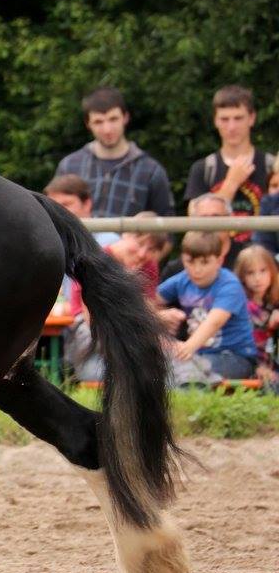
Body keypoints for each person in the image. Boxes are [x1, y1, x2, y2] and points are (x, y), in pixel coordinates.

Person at [64, 213, 169, 381]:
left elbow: (148, 308)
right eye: (140, 243)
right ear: (126, 235)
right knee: (99, 374)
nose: (143, 253)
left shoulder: (149, 265)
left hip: (129, 328)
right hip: (91, 327)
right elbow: (90, 316)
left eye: (151, 249)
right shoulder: (97, 259)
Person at [54, 87, 174, 217]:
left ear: (125, 117)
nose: (107, 129)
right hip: (79, 237)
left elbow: (166, 228)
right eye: (98, 122)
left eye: (113, 119)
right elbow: (55, 218)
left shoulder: (151, 171)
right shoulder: (69, 166)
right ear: (88, 124)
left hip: (128, 237)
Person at [157, 231, 257, 380]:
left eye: (204, 262)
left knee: (186, 366)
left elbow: (214, 322)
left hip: (234, 357)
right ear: (183, 259)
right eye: (190, 262)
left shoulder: (229, 284)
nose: (197, 269)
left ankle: (192, 383)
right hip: (197, 354)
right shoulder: (181, 280)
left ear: (219, 261)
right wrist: (160, 316)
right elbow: (149, 301)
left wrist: (187, 347)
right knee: (163, 362)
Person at [185, 86, 274, 254]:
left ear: (252, 118)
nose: (231, 126)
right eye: (224, 119)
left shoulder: (271, 165)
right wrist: (231, 183)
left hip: (263, 264)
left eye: (238, 118)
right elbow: (196, 224)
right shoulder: (203, 169)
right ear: (215, 121)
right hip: (215, 260)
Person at [43, 174, 119, 314]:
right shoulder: (47, 241)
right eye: (53, 205)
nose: (57, 211)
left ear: (87, 203)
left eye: (66, 204)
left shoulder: (111, 243)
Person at [234, 245, 279, 387]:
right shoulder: (240, 304)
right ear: (242, 276)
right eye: (250, 273)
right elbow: (241, 344)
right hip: (251, 363)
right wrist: (258, 366)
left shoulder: (275, 300)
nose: (257, 278)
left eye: (263, 271)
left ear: (272, 271)